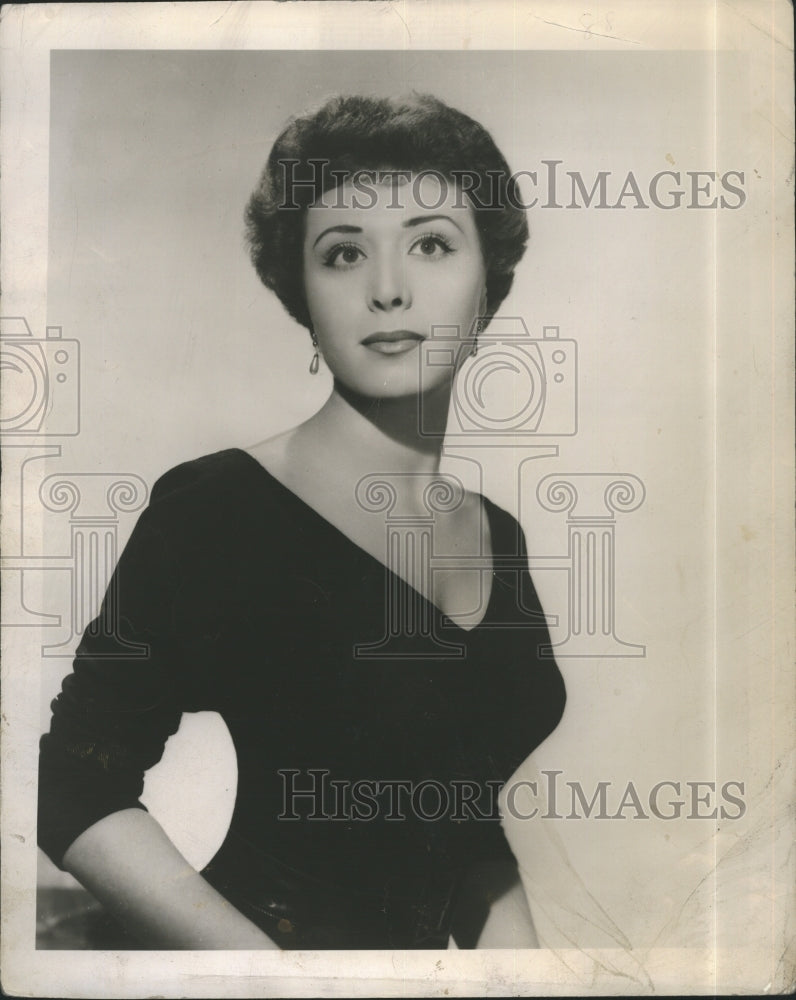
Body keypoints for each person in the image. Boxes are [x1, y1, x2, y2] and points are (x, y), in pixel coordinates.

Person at [37, 93, 566, 950]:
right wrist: (271, 977)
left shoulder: (499, 535)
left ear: (487, 288)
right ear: (302, 295)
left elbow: (456, 811)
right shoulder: (217, 510)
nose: (388, 290)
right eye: (344, 253)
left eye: (431, 244)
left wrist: (519, 975)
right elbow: (69, 787)